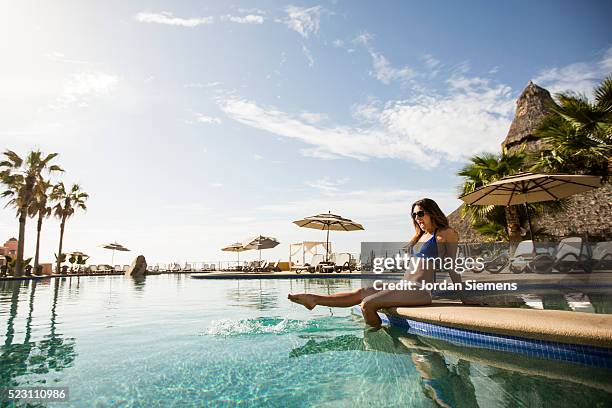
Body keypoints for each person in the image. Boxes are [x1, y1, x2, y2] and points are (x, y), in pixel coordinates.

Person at [288, 198, 472, 328]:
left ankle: (377, 337)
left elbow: (451, 266)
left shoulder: (445, 233)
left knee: (367, 304)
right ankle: (314, 300)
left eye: (421, 214)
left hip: (419, 290)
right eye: (414, 215)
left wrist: (464, 297)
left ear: (432, 212)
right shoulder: (420, 236)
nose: (417, 218)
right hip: (404, 285)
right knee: (362, 292)